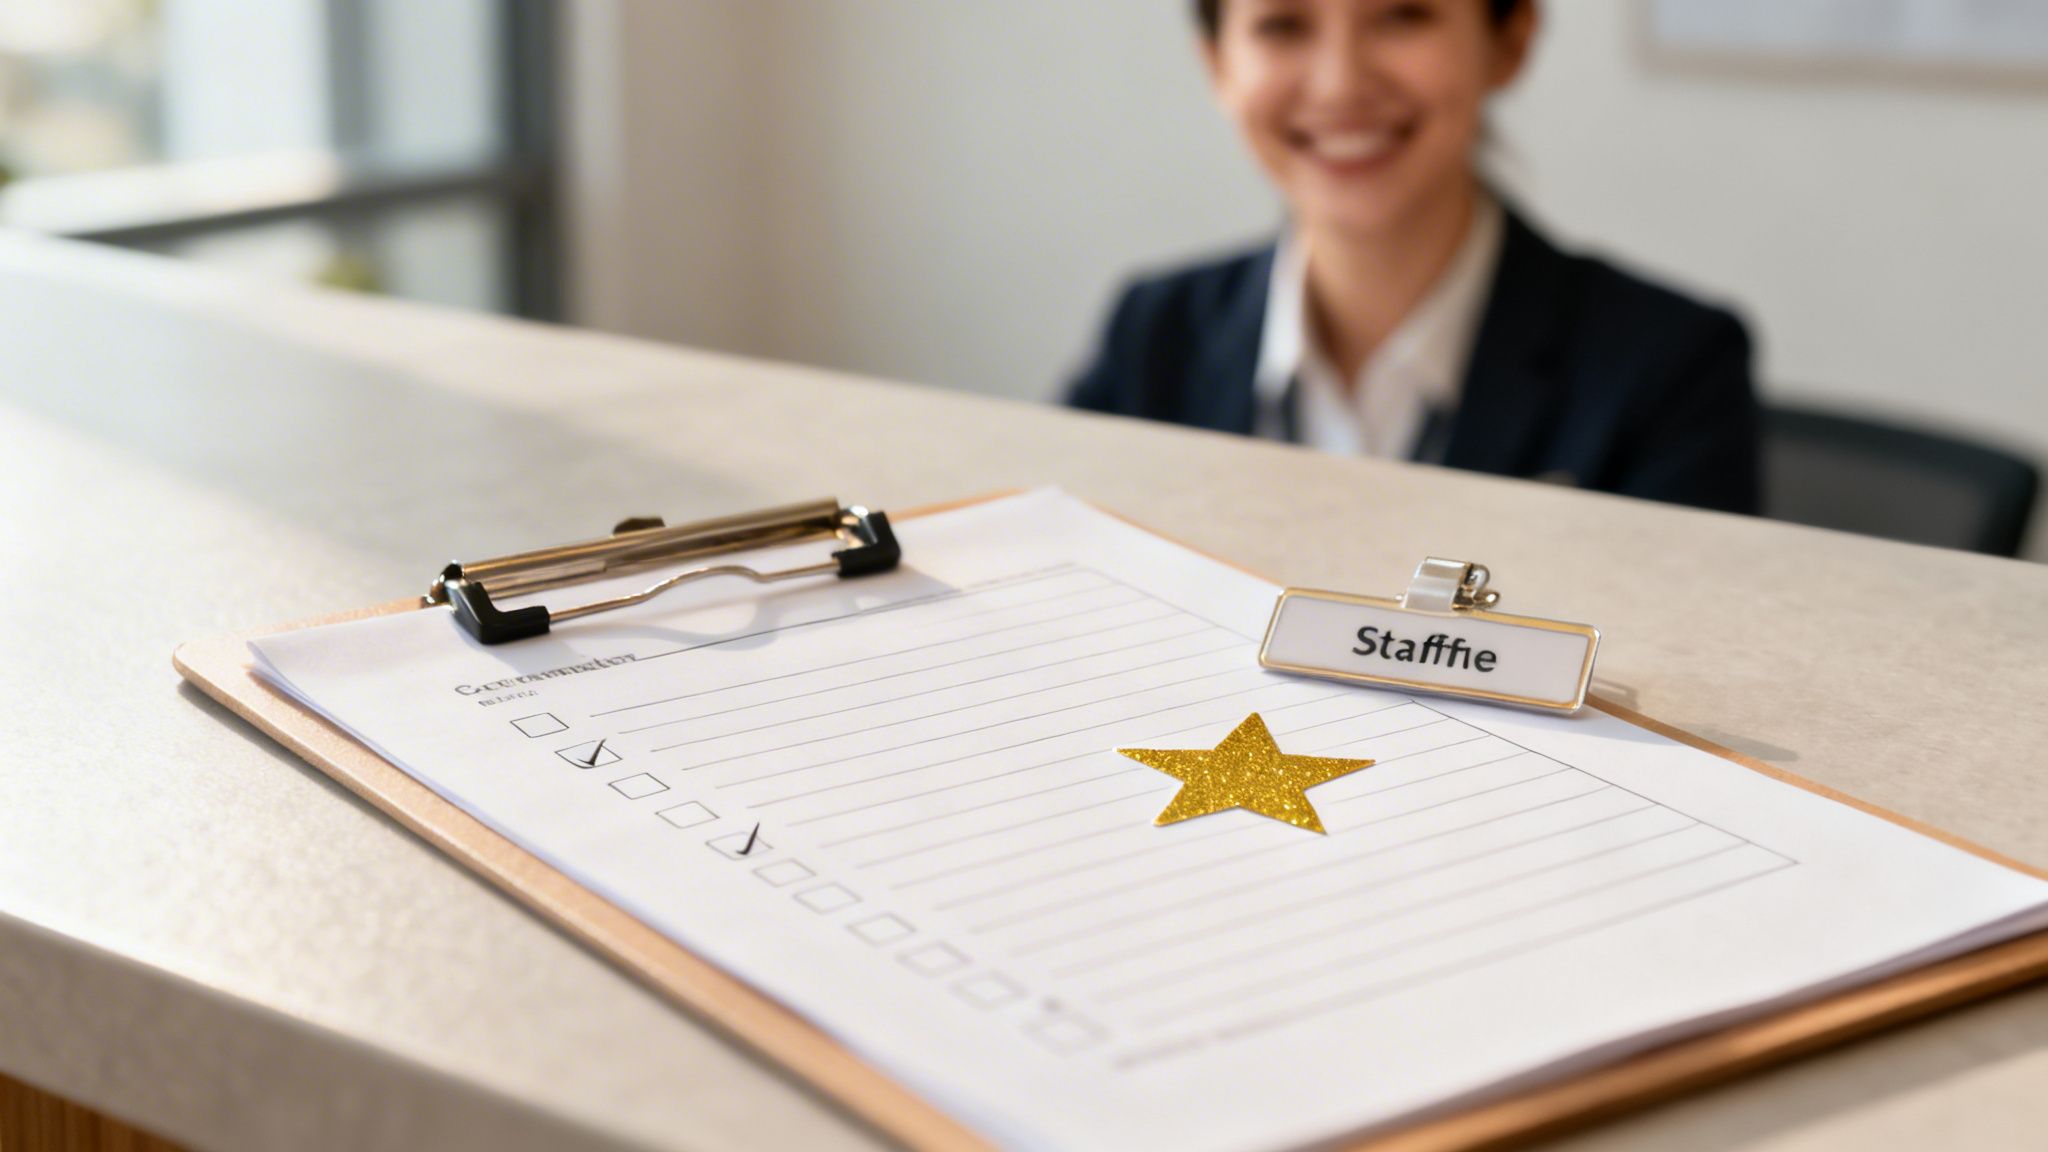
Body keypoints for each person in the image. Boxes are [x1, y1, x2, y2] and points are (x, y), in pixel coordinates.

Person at [1066, 0, 1760, 513]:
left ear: (1510, 41)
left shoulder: (1671, 368)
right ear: (1218, 64)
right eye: (1283, 25)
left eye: (1403, 15)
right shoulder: (1152, 335)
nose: (1339, 85)